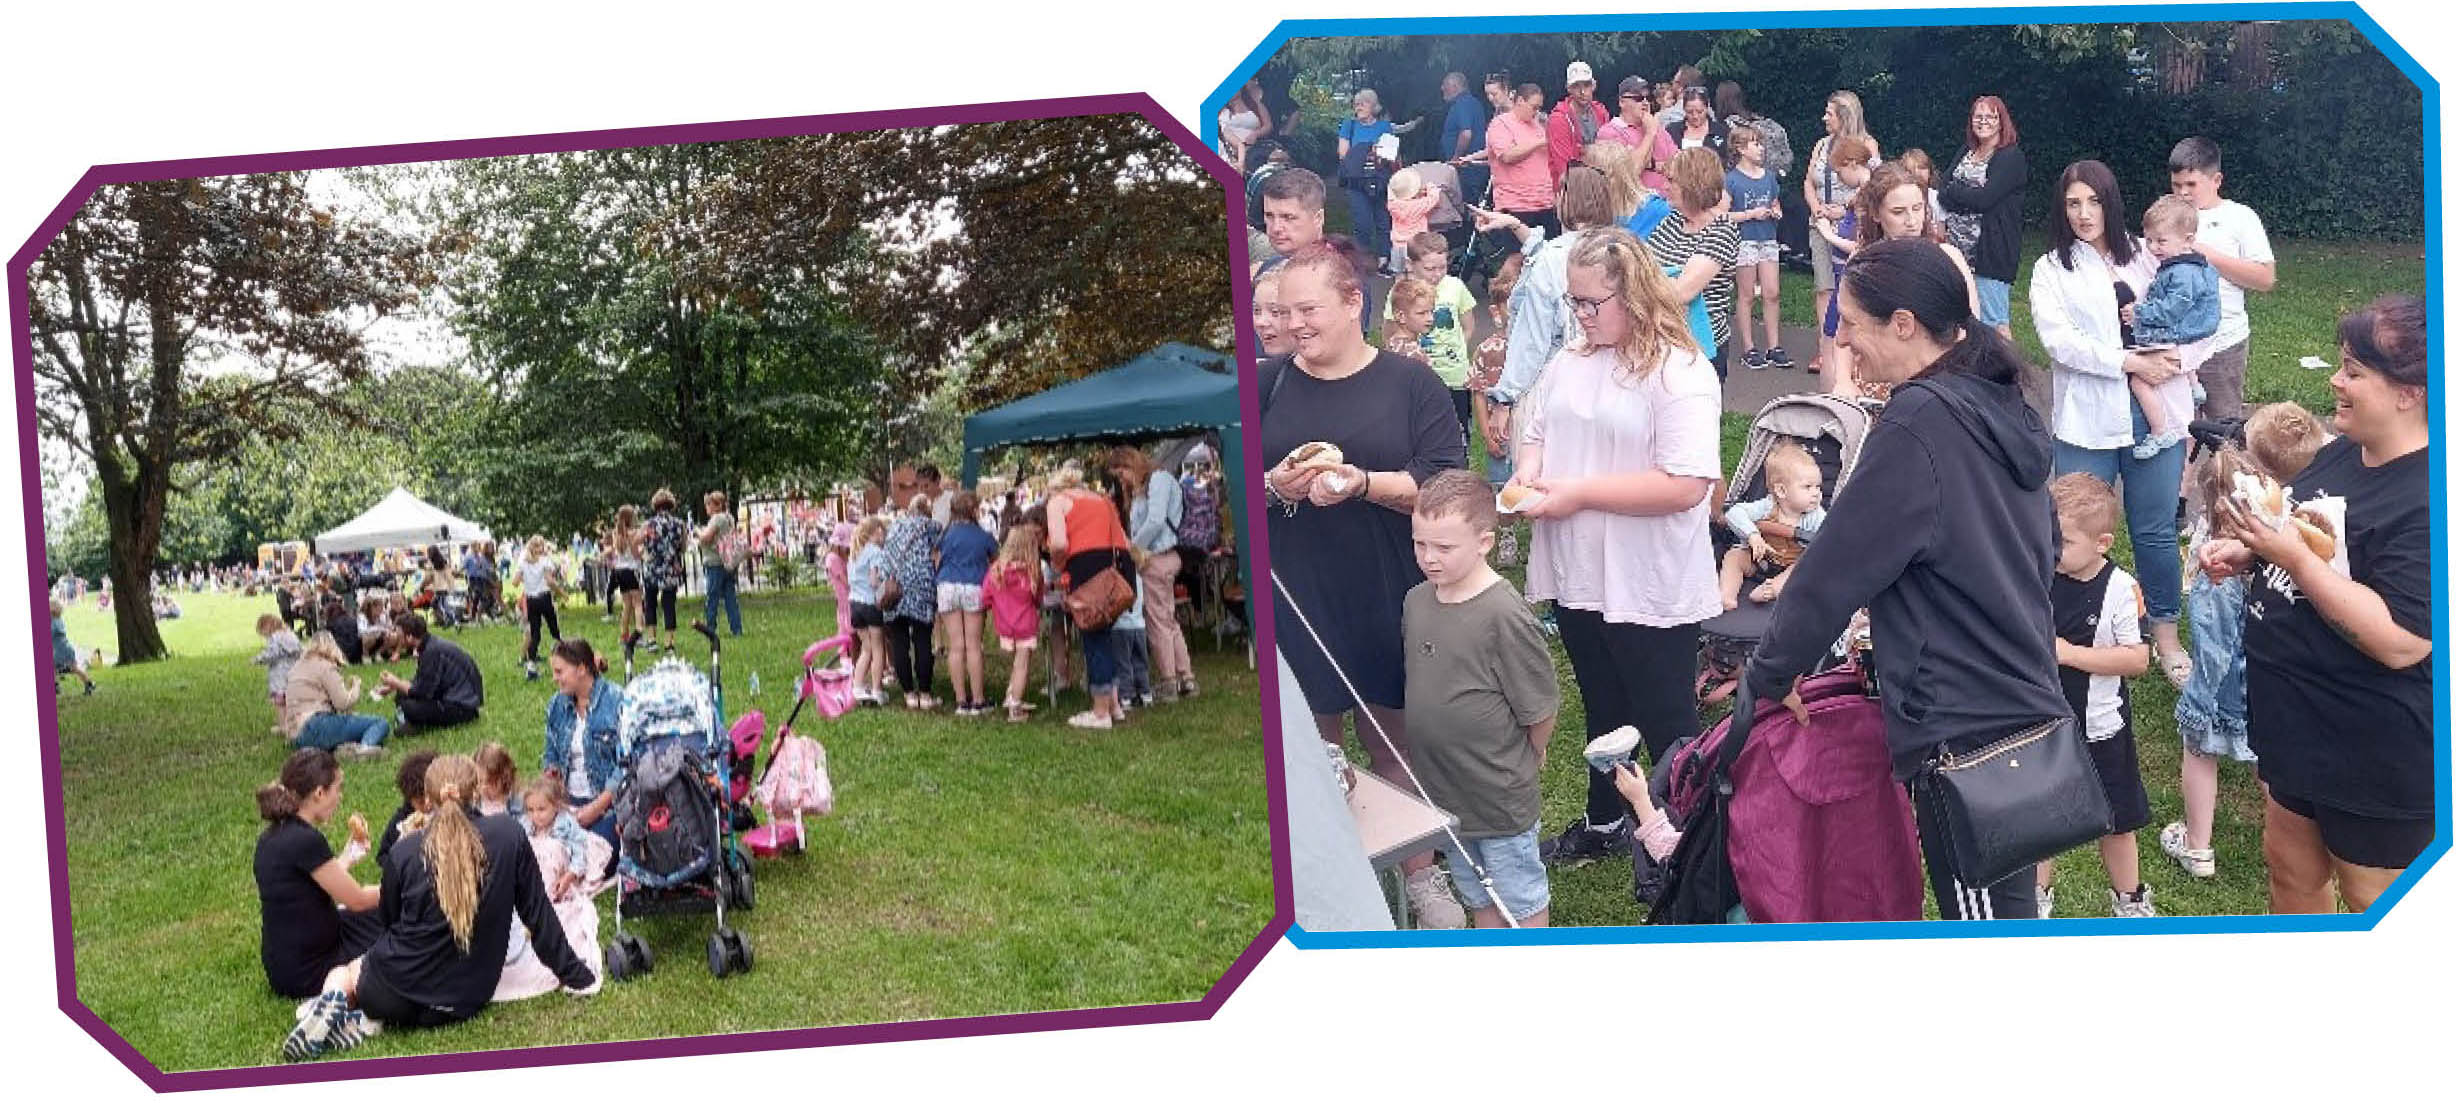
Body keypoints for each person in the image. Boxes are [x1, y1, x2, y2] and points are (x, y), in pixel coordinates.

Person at [1751, 236, 2069, 921]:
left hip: (1966, 725)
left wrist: (1769, 675)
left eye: (1851, 326)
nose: (1841, 342)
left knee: (1982, 927)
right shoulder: (1999, 395)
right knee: (2004, 905)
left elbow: (1833, 568)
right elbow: (2048, 542)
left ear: (1903, 324)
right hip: (2022, 687)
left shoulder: (1920, 420)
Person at [2202, 296, 2429, 914]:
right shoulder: (2340, 453)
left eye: (2354, 371)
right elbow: (2314, 542)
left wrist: (2293, 559)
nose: (2336, 381)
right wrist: (2254, 554)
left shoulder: (2428, 497)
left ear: (2410, 392)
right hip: (2294, 726)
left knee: (2373, 904)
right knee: (2292, 877)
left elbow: (2401, 641)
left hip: (2370, 749)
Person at [1502, 225, 1719, 866]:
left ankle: (1694, 840)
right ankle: (1605, 826)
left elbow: (1686, 486)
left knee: (1666, 721)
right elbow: (1538, 427)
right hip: (1580, 571)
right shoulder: (1574, 358)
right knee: (1602, 703)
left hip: (1647, 576)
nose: (1580, 315)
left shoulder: (1680, 372)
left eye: (1591, 303)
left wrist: (1579, 493)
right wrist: (1529, 471)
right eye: (1574, 301)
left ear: (1635, 296)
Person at [1262, 240, 1467, 899]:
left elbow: (1444, 484)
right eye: (1284, 312)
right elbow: (1231, 480)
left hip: (1387, 591)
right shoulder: (1266, 383)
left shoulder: (1410, 384)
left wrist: (1361, 482)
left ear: (1353, 303)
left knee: (1395, 739)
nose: (1294, 325)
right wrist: (1274, 485)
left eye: (1308, 310)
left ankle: (1419, 873)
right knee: (1314, 752)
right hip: (1299, 596)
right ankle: (1329, 878)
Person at [279, 754, 594, 1061]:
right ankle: (359, 1022)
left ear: (428, 799)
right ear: (476, 790)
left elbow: (390, 923)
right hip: (469, 995)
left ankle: (336, 1003)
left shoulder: (404, 853)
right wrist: (577, 975)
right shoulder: (509, 835)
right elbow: (537, 915)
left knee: (344, 973)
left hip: (391, 992)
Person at [2029, 159, 2193, 684]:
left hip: (2155, 418)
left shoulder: (2150, 253)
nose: (2083, 213)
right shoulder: (2051, 268)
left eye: (2093, 201)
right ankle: (2073, 633)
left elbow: (2196, 315)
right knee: (2072, 529)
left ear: (2110, 201)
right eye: (2073, 203)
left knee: (2155, 530)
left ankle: (2164, 634)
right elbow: (2060, 343)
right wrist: (2128, 362)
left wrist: (2176, 361)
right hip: (2086, 421)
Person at [1404, 469, 1560, 928]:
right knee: (1475, 890)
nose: (1429, 558)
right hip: (1446, 792)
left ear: (1485, 543)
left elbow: (1541, 706)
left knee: (1519, 898)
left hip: (1497, 795)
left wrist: (1533, 752)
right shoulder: (1416, 602)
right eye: (1420, 544)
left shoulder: (1502, 614)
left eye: (1444, 548)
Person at [2031, 474, 2157, 918]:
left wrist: (2071, 655)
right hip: (2044, 724)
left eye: (2062, 541)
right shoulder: (2040, 574)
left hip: (2101, 727)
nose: (2051, 548)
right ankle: (2035, 900)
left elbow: (2138, 659)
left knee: (2117, 821)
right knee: (2041, 819)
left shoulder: (2121, 588)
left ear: (2102, 543)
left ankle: (2130, 899)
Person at [1841, 160, 1979, 399]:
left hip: (1935, 383)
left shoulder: (1948, 258)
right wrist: (1842, 381)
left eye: (1918, 208)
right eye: (1898, 212)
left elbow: (1971, 329)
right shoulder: (1864, 261)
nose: (1911, 220)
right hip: (1874, 379)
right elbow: (1846, 327)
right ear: (1876, 213)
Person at [255, 748, 381, 998]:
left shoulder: (272, 836)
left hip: (284, 966)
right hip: (313, 968)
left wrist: (347, 857)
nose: (340, 796)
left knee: (382, 915)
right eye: (337, 788)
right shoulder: (306, 839)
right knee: (395, 927)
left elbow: (311, 884)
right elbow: (357, 900)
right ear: (319, 793)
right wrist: (405, 884)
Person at [2168, 136, 2276, 420]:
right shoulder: (2167, 216)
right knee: (2176, 424)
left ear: (2216, 180)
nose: (2183, 193)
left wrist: (2204, 254)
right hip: (2175, 344)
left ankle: (2225, 466)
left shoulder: (2240, 217)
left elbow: (2265, 278)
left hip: (2223, 342)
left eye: (2191, 184)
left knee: (2222, 427)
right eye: (2176, 185)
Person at [2126, 194, 2223, 460]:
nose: (2154, 247)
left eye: (2161, 241)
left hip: (2181, 331)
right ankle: (2194, 385)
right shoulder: (2190, 264)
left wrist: (2139, 312)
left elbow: (2171, 310)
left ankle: (2159, 431)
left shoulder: (2182, 272)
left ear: (2188, 239)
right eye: (2150, 240)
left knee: (2139, 380)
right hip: (2192, 331)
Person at [1044, 467, 1138, 729]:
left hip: (1084, 569)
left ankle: (1100, 713)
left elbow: (1060, 544)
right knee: (1105, 635)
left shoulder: (1058, 502)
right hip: (1113, 571)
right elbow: (1125, 543)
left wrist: (1058, 564)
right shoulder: (1102, 501)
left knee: (1093, 639)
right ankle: (1114, 705)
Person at [1936, 95, 2028, 339]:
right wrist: (1963, 193)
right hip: (1958, 250)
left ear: (2001, 122)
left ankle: (2007, 375)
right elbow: (1941, 190)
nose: (1983, 121)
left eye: (1990, 116)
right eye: (1978, 116)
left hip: (1990, 254)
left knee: (1994, 323)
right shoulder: (1967, 151)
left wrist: (1956, 191)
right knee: (1962, 318)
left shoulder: (2010, 157)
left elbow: (1985, 199)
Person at [1645, 148, 1743, 378]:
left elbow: (1681, 293)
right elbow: (1639, 267)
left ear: (1693, 183)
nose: (1664, 186)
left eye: (1671, 180)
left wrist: (1646, 280)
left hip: (1699, 350)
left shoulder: (1722, 230)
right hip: (1659, 342)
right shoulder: (1672, 221)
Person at [1804, 90, 1881, 375]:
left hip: (1850, 223)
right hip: (1820, 222)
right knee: (1824, 285)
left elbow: (1873, 187)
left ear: (1845, 117)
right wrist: (1816, 208)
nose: (1825, 118)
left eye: (1830, 113)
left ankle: (1852, 348)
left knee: (1849, 286)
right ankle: (1825, 347)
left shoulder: (1867, 146)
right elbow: (1808, 181)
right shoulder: (1822, 145)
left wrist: (1845, 208)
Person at [1111, 444, 1195, 702]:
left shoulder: (1157, 481)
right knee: (1169, 620)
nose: (1121, 479)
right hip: (1162, 557)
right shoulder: (1154, 482)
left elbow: (1155, 521)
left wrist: (1134, 550)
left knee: (1158, 622)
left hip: (1156, 559)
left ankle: (1169, 681)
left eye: (1121, 472)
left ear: (1129, 464)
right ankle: (1186, 678)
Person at [536, 637, 624, 865]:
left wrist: (597, 807)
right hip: (568, 800)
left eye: (559, 671)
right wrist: (552, 776)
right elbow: (551, 754)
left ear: (582, 669)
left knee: (595, 854)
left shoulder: (616, 701)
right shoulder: (557, 705)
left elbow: (626, 765)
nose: (555, 678)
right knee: (541, 848)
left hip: (608, 803)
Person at [1388, 233, 1481, 440]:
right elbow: (1390, 331)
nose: (1437, 274)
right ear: (1410, 265)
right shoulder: (1401, 293)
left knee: (1458, 430)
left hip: (1454, 376)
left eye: (1442, 267)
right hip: (1418, 378)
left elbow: (1468, 325)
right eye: (1430, 269)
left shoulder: (1455, 287)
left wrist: (1456, 348)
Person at [1717, 440, 1826, 610]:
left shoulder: (1815, 516)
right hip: (1760, 561)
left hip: (1790, 565)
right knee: (1734, 556)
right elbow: (1734, 513)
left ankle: (1772, 589)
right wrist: (1753, 535)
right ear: (1781, 491)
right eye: (1808, 487)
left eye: (1818, 487)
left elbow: (1828, 542)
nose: (1816, 493)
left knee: (1800, 568)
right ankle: (1727, 595)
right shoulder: (1767, 506)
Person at [1724, 125, 1785, 370]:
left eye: (1760, 143)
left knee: (1772, 292)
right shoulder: (1731, 180)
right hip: (1745, 241)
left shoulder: (1769, 177)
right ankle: (1749, 347)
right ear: (1740, 148)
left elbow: (1775, 201)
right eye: (1754, 143)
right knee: (1746, 294)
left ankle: (1774, 346)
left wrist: (1776, 212)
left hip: (1768, 238)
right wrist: (1750, 214)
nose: (1760, 148)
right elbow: (1724, 215)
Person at [935, 491, 999, 717]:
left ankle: (961, 700)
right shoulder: (983, 535)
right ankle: (979, 700)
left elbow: (937, 557)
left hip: (947, 587)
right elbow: (995, 559)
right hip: (973, 585)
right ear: (974, 510)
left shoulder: (946, 535)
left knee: (956, 645)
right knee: (973, 645)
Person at [1467, 250, 1525, 488]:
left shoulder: (1543, 352)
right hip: (1500, 435)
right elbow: (1478, 394)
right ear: (1496, 310)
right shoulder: (1487, 349)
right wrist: (1486, 435)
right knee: (1501, 489)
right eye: (1509, 307)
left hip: (1532, 434)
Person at [284, 632, 391, 758]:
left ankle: (342, 748)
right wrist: (356, 687)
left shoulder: (295, 668)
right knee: (380, 723)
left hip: (297, 735)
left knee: (345, 727)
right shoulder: (325, 666)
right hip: (317, 725)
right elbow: (343, 703)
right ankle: (364, 748)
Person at [883, 495, 944, 710]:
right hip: (921, 587)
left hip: (896, 588)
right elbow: (939, 552)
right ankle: (925, 694)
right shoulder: (932, 526)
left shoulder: (894, 527)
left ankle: (909, 693)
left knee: (899, 640)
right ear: (927, 510)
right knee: (922, 639)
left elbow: (886, 556)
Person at [378, 614, 483, 734]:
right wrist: (394, 686)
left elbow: (422, 693)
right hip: (458, 699)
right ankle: (413, 723)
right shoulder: (430, 646)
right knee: (402, 695)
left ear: (410, 637)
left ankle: (414, 723)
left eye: (399, 634)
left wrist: (396, 682)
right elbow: (421, 681)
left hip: (463, 707)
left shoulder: (431, 652)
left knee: (407, 706)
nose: (397, 638)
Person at [1335, 88, 1400, 273]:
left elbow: (1390, 154)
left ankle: (1384, 260)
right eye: (1357, 103)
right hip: (1357, 181)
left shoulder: (1384, 127)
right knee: (1361, 222)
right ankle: (1362, 259)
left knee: (1383, 220)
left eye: (1363, 102)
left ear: (1374, 106)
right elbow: (1342, 153)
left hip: (1380, 179)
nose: (1359, 106)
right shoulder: (1350, 125)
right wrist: (1369, 153)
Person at [985, 524, 1046, 722]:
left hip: (1005, 624)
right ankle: (1015, 707)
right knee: (1022, 665)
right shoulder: (1032, 572)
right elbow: (1038, 598)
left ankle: (1011, 695)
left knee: (1016, 664)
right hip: (1025, 625)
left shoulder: (996, 571)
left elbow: (985, 596)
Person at [1485, 83, 1556, 241]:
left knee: (1546, 252)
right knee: (1517, 257)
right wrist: (1540, 142)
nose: (1536, 112)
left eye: (1539, 108)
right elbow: (1507, 156)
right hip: (1516, 204)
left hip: (1544, 201)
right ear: (1520, 101)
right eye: (1534, 107)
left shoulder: (1537, 126)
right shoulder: (1500, 124)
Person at [1599, 75, 1677, 196]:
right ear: (1621, 102)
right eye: (1638, 98)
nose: (1645, 102)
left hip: (1669, 202)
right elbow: (1630, 173)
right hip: (1636, 207)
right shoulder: (1609, 132)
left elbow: (1679, 165)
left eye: (1648, 97)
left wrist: (1652, 164)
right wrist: (1650, 134)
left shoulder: (1657, 127)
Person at [847, 517, 892, 707]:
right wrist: (883, 582)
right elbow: (874, 580)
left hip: (854, 605)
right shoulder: (875, 552)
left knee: (866, 648)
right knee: (878, 647)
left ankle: (857, 685)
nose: (884, 535)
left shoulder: (855, 553)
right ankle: (876, 689)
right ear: (876, 532)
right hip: (870, 604)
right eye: (882, 531)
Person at [1545, 62, 1609, 189]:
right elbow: (1565, 168)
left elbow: (1608, 151)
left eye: (1586, 85)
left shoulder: (1601, 112)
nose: (1582, 91)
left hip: (1602, 184)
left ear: (1594, 86)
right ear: (1568, 88)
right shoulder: (1559, 119)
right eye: (1576, 86)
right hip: (1572, 189)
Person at [373, 748, 440, 866]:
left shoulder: (450, 809)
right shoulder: (402, 820)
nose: (428, 804)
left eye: (431, 797)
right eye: (420, 802)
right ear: (409, 800)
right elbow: (383, 856)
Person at [641, 489, 689, 653]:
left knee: (650, 603)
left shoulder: (648, 525)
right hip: (671, 568)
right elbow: (683, 548)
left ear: (655, 505)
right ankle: (669, 643)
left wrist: (645, 555)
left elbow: (639, 545)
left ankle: (652, 640)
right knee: (669, 605)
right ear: (671, 505)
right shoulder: (679, 524)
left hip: (653, 568)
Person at [696, 490, 747, 638]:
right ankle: (736, 628)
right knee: (730, 596)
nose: (707, 508)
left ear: (715, 505)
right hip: (727, 562)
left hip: (715, 562)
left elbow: (707, 538)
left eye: (708, 505)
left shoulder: (717, 519)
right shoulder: (729, 518)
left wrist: (698, 532)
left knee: (712, 596)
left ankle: (710, 628)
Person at [515, 535, 566, 681]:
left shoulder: (523, 563)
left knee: (535, 634)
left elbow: (514, 582)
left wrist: (526, 578)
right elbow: (550, 581)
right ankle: (565, 659)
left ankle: (530, 666)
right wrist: (561, 593)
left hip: (531, 600)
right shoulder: (545, 561)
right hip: (544, 598)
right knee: (554, 631)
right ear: (541, 547)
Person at [1111, 547, 1155, 710]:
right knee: (1141, 662)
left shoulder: (1121, 580)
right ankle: (1145, 693)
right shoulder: (1139, 578)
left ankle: (1126, 695)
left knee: (1123, 663)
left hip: (1121, 627)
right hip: (1139, 626)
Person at [1437, 71, 1490, 202]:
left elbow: (1466, 134)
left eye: (1445, 85)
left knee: (1466, 204)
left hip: (1466, 169)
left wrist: (1456, 158)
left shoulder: (1463, 103)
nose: (1442, 88)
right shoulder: (1472, 103)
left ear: (1455, 86)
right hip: (1472, 168)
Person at [251, 613, 304, 733]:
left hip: (279, 676)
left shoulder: (275, 638)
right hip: (293, 673)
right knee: (292, 702)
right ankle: (294, 724)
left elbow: (272, 653)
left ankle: (283, 726)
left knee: (279, 703)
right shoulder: (290, 635)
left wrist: (257, 659)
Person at [1384, 167, 1441, 275]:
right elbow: (1434, 198)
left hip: (1398, 245)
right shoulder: (1419, 205)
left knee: (1399, 273)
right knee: (1415, 273)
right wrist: (1431, 187)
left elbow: (1391, 194)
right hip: (1416, 244)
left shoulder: (1392, 205)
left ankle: (1398, 289)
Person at [607, 505, 646, 654]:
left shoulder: (617, 533)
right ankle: (639, 633)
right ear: (631, 518)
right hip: (631, 570)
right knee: (637, 603)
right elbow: (636, 554)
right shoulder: (633, 533)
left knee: (626, 605)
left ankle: (624, 635)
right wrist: (643, 550)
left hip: (619, 571)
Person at [1219, 78, 1273, 171]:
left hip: (1259, 147)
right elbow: (1228, 136)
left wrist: (1256, 134)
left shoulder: (1255, 105)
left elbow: (1268, 126)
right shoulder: (1224, 114)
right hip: (1238, 153)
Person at [1667, 86, 1727, 159]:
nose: (1695, 116)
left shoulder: (1720, 131)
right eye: (1689, 112)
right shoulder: (1672, 130)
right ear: (1683, 109)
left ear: (1707, 107)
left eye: (1700, 111)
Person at [473, 741, 520, 818]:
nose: (484, 787)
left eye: (490, 782)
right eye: (480, 782)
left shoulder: (515, 805)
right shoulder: (475, 804)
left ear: (504, 778)